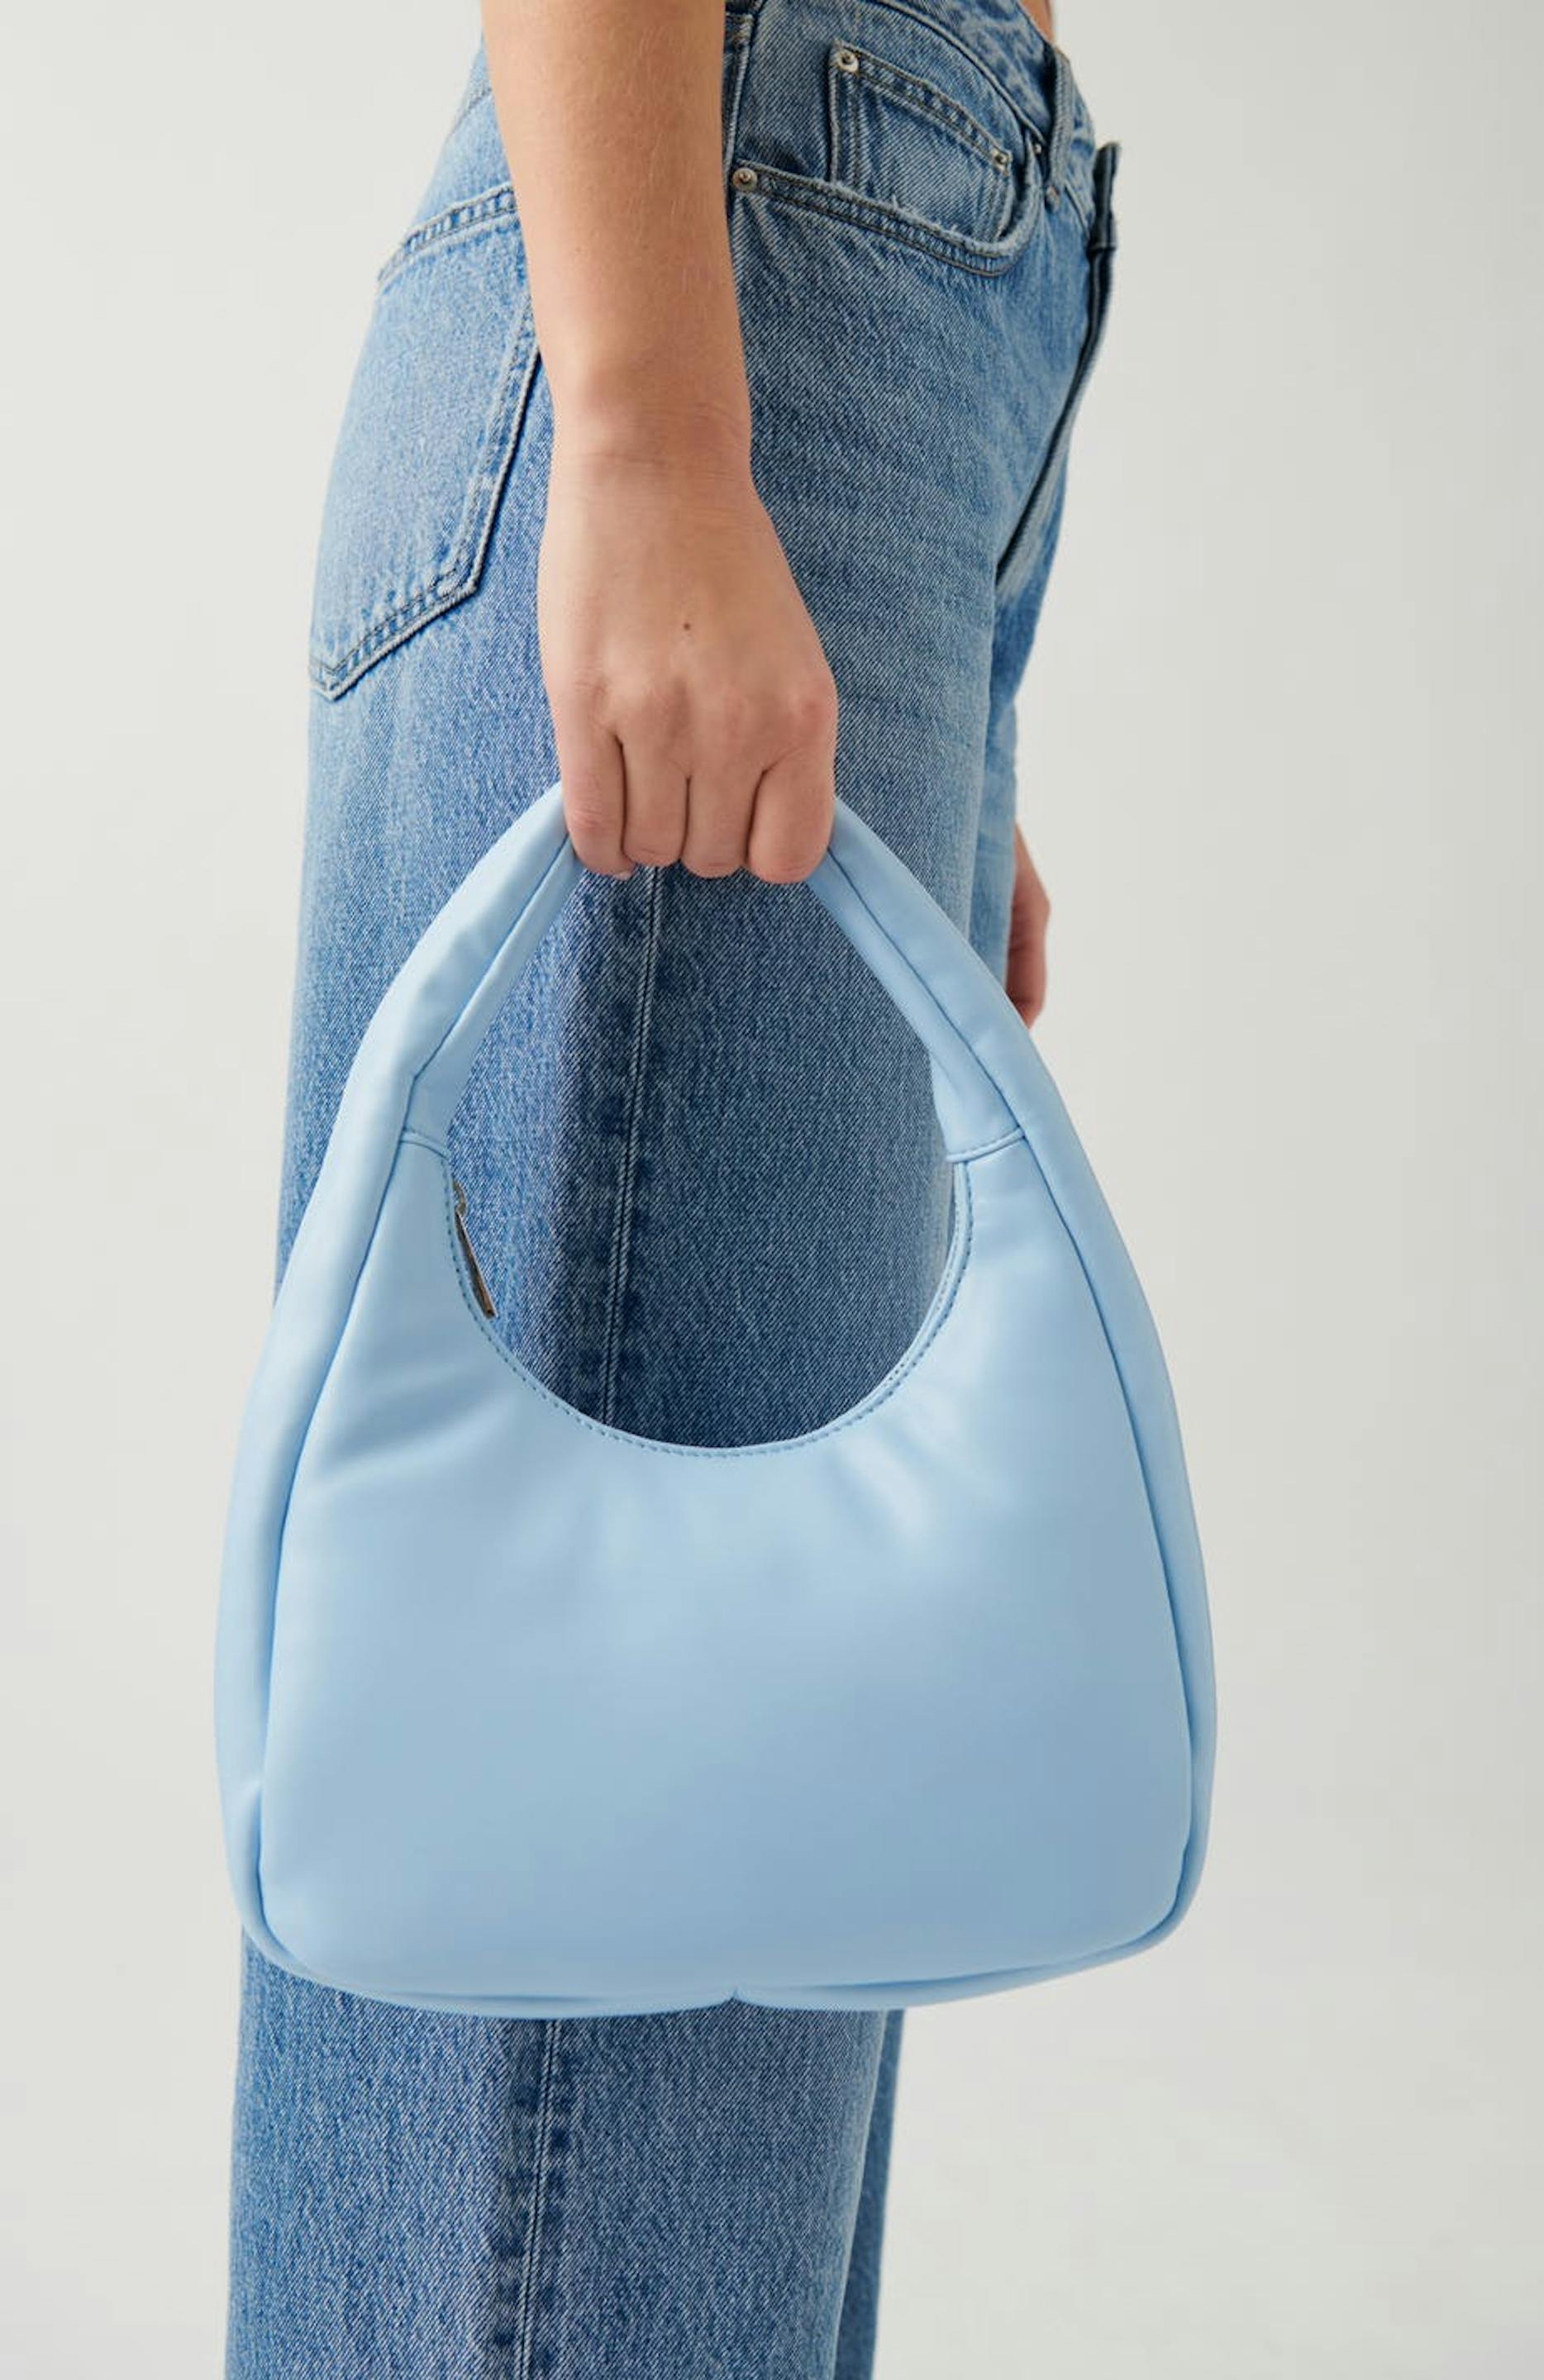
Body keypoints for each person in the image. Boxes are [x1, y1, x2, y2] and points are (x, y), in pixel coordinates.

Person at [226, 0, 1118, 2370]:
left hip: (846, 314)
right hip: (734, 243)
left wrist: (925, 681)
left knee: (707, 2069)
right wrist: (652, 428)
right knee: (586, 2112)